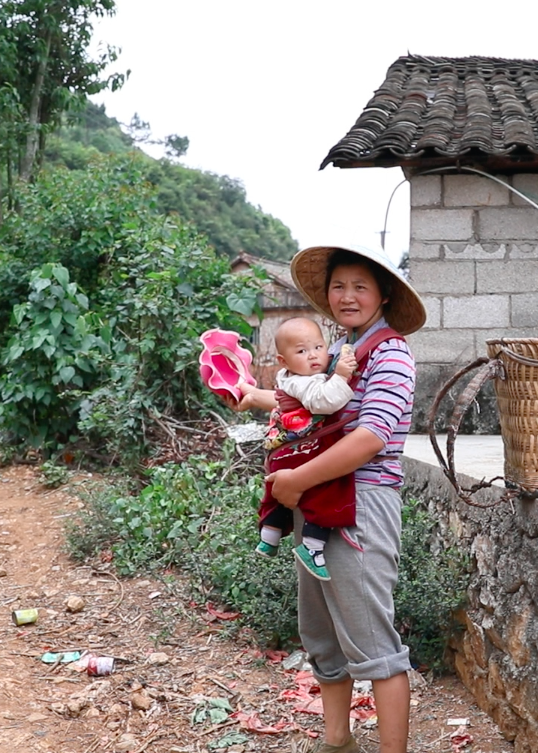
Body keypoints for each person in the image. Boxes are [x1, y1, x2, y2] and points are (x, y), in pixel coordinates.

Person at [232, 244, 425, 753]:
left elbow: (372, 436)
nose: (347, 295)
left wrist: (294, 482)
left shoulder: (390, 353)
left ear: (383, 294)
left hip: (360, 503)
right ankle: (338, 742)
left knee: (373, 642)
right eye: (338, 286)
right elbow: (311, 403)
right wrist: (251, 394)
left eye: (361, 286)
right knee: (321, 632)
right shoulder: (341, 349)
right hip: (318, 502)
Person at [250, 316, 358, 580]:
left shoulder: (289, 378)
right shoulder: (303, 381)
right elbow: (324, 401)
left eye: (318, 347)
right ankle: (312, 546)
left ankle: (270, 535)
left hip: (285, 451)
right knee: (329, 490)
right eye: (302, 351)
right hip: (302, 451)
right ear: (283, 362)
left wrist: (248, 394)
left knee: (279, 493)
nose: (313, 356)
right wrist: (342, 375)